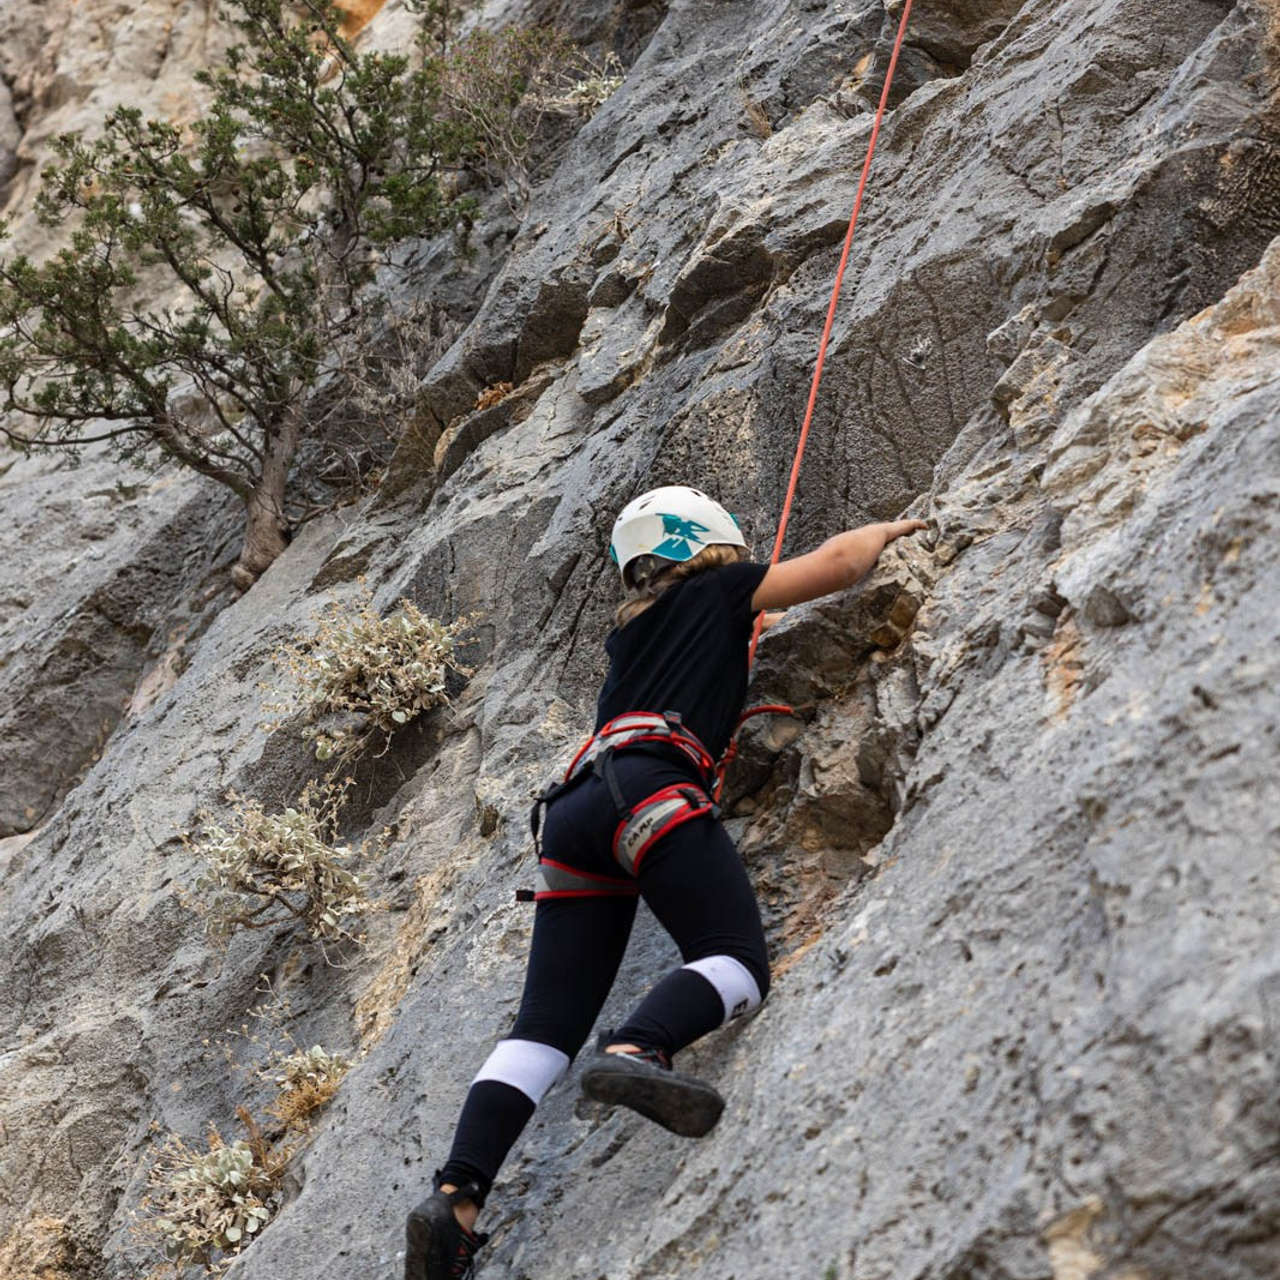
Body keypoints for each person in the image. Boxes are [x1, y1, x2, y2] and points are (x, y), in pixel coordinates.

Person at [403, 485, 929, 1280]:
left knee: (542, 1027)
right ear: (706, 543)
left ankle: (457, 1199)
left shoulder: (631, 633)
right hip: (652, 789)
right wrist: (888, 528)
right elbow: (837, 565)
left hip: (574, 812)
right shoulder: (721, 588)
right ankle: (640, 1047)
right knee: (735, 961)